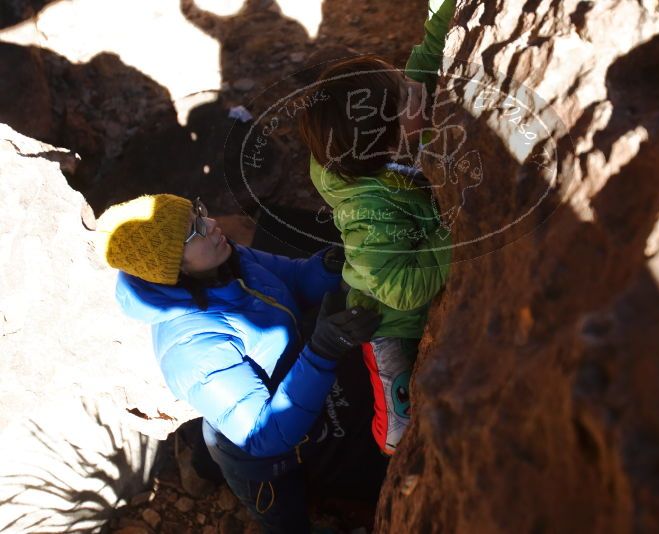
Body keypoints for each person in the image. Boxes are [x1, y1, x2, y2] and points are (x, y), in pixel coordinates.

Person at [95, 194, 387, 533]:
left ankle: (201, 468)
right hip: (259, 460)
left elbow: (292, 278)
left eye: (199, 212)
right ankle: (212, 475)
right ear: (170, 266)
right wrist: (322, 351)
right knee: (284, 515)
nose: (213, 224)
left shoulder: (227, 261)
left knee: (215, 436)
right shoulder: (190, 348)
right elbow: (263, 436)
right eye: (195, 230)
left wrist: (328, 266)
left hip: (250, 403)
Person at [296, 0, 456, 455]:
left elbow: (424, 63)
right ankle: (385, 447)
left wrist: (444, 16)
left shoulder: (381, 134)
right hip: (387, 321)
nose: (415, 90)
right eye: (405, 96)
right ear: (387, 141)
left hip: (398, 265)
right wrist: (453, 230)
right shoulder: (369, 209)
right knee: (398, 424)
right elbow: (398, 288)